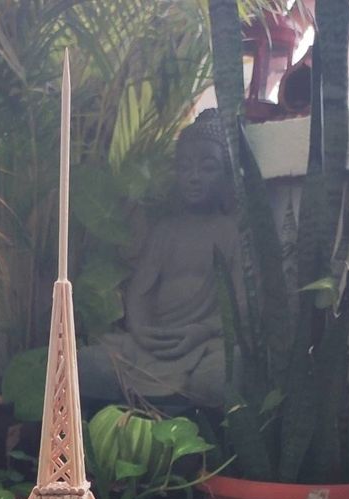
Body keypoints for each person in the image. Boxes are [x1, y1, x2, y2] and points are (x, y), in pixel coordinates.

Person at [77, 109, 240, 410]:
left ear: (227, 175)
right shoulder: (166, 230)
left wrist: (202, 330)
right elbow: (140, 292)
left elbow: (241, 310)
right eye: (185, 167)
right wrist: (139, 329)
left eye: (207, 168)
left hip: (202, 345)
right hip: (147, 346)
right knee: (84, 365)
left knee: (220, 376)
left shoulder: (233, 233)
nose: (193, 178)